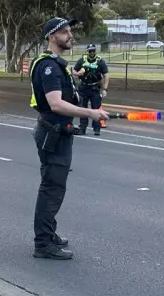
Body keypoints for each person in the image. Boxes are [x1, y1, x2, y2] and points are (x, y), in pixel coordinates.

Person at [29, 18, 109, 260]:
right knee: (52, 188)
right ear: (52, 36)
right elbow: (55, 104)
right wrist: (90, 113)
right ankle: (43, 244)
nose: (70, 35)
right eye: (64, 32)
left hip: (57, 131)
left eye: (70, 31)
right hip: (52, 132)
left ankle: (48, 232)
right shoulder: (49, 67)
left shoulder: (55, 64)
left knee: (55, 186)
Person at [72, 43, 109, 135]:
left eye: (93, 51)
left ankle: (97, 128)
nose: (92, 53)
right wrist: (78, 73)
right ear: (87, 51)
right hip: (83, 87)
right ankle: (82, 128)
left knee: (96, 108)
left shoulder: (100, 61)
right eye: (90, 51)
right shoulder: (82, 60)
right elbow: (73, 71)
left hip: (95, 88)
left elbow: (106, 75)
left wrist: (104, 89)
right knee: (82, 108)